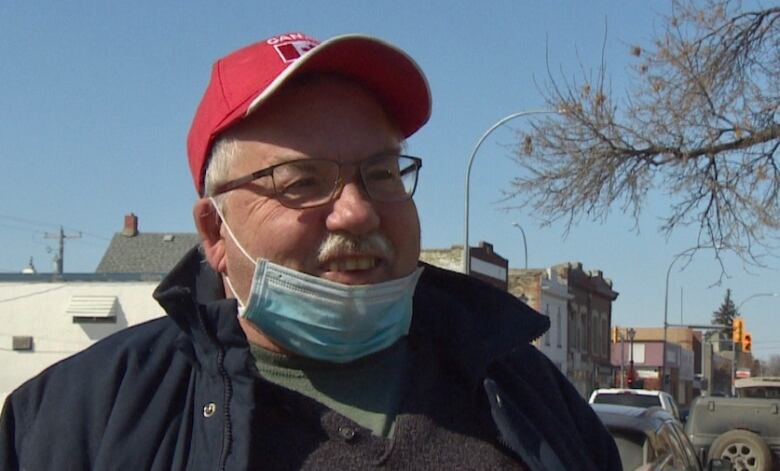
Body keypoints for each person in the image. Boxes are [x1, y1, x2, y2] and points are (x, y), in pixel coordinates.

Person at [0, 32, 620, 470]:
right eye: (300, 181)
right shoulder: (79, 421)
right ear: (215, 234)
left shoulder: (526, 393)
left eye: (381, 173)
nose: (358, 210)